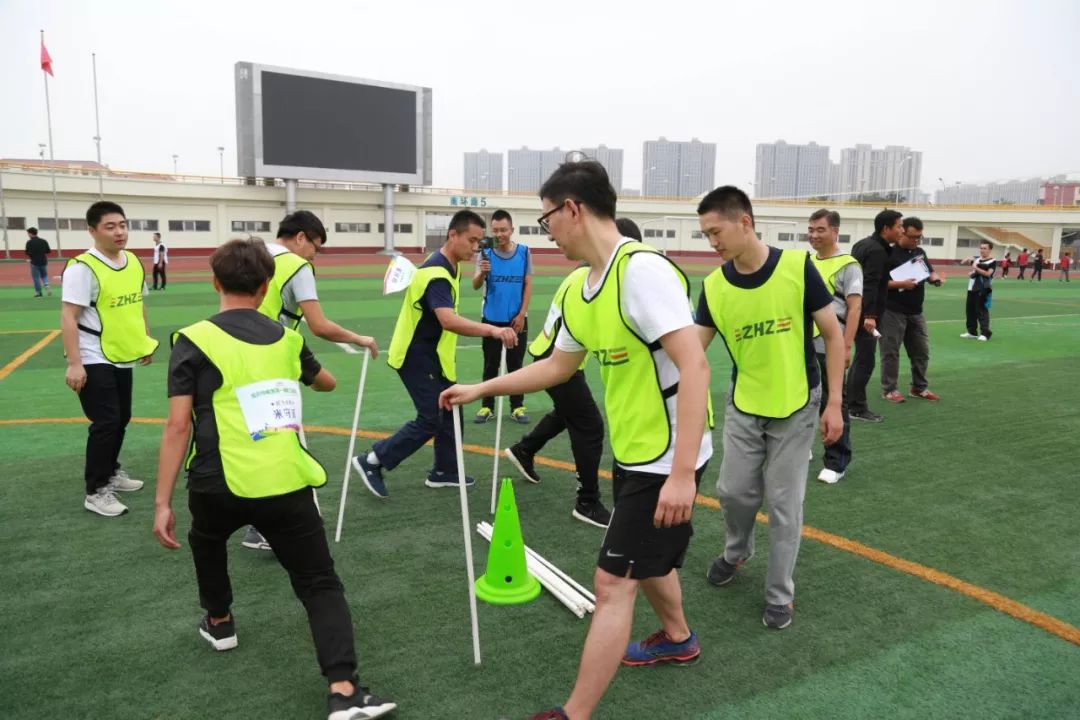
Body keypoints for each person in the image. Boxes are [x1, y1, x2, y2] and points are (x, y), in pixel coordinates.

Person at [441, 161, 712, 720]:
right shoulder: (577, 287)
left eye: (546, 220)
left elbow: (696, 366)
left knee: (612, 582)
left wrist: (683, 473)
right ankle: (678, 637)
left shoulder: (642, 271)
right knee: (647, 558)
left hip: (668, 456)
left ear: (573, 209)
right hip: (635, 447)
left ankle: (573, 714)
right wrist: (482, 388)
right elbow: (558, 367)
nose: (547, 234)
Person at [151, 238, 396, 720]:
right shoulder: (288, 340)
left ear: (215, 282)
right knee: (319, 582)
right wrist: (306, 375)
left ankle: (220, 620)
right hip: (284, 482)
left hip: (215, 481)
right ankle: (344, 689)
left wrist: (162, 503)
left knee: (207, 540)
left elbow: (177, 426)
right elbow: (325, 382)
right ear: (266, 288)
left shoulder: (192, 340)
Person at [696, 187, 843, 631]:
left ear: (744, 222)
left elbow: (833, 336)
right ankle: (737, 551)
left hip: (797, 404)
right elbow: (692, 351)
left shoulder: (797, 267)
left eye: (716, 232)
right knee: (732, 491)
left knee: (784, 502)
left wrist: (835, 404)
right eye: (705, 235)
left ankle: (780, 593)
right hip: (745, 403)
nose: (712, 242)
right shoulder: (714, 286)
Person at [350, 210, 516, 499]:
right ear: (452, 235)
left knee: (451, 407)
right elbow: (448, 320)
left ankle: (445, 471)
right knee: (431, 418)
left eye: (479, 241)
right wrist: (492, 330)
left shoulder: (451, 264)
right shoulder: (436, 274)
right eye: (471, 240)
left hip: (435, 355)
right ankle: (373, 461)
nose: (476, 247)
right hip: (415, 356)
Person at [242, 210, 378, 551]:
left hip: (234, 355)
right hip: (271, 357)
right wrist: (358, 338)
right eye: (315, 247)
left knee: (256, 440)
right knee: (278, 442)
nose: (315, 255)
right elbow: (318, 325)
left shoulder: (249, 255)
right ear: (300, 237)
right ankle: (266, 527)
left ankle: (258, 523)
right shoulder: (296, 265)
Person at [503, 219, 644, 529]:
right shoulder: (589, 277)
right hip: (556, 359)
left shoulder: (587, 273)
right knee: (589, 425)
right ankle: (587, 501)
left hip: (553, 355)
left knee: (568, 413)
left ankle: (524, 450)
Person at [61, 201, 159, 517]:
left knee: (122, 417)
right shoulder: (82, 268)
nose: (119, 232)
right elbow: (69, 316)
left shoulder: (133, 261)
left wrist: (145, 340)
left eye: (122, 225)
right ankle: (96, 491)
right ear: (92, 231)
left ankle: (111, 471)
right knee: (106, 422)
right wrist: (75, 363)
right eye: (110, 226)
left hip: (121, 353)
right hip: (92, 354)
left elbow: (138, 304)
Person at [806, 209, 862, 484]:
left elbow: (855, 308)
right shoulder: (806, 262)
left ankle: (836, 461)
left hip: (831, 345)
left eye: (820, 229)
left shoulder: (848, 265)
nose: (814, 235)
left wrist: (846, 346)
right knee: (802, 399)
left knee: (833, 400)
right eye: (811, 229)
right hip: (804, 343)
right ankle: (801, 445)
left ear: (835, 232)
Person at [473, 209, 533, 424]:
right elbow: (475, 284)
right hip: (491, 320)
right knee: (490, 364)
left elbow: (528, 284)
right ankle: (486, 407)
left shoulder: (524, 252)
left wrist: (522, 314)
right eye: (496, 230)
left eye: (503, 230)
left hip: (516, 320)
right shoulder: (485, 252)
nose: (499, 234)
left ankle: (517, 407)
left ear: (512, 230)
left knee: (515, 364)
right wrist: (482, 272)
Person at [880, 217, 945, 404]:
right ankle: (889, 389)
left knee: (921, 351)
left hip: (916, 311)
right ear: (902, 233)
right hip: (892, 311)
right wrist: (901, 284)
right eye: (912, 237)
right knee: (891, 352)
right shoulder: (888, 253)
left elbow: (929, 271)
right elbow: (879, 283)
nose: (916, 240)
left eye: (919, 237)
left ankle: (919, 387)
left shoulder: (919, 252)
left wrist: (935, 279)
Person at [846, 209, 903, 423]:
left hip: (854, 309)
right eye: (899, 226)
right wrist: (869, 315)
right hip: (864, 313)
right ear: (886, 229)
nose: (902, 230)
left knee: (861, 359)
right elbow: (869, 284)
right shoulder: (877, 251)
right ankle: (856, 408)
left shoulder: (863, 244)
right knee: (865, 360)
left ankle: (849, 402)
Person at [961, 240, 996, 341]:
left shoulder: (992, 261)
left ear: (990, 250)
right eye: (981, 248)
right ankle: (972, 332)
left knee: (981, 311)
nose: (982, 250)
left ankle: (985, 333)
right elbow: (965, 261)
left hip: (982, 289)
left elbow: (988, 274)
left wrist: (975, 268)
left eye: (985, 248)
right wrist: (969, 260)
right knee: (970, 311)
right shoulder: (977, 260)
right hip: (971, 288)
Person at [25, 227, 53, 297]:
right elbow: (48, 251)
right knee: (44, 275)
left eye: (28, 233)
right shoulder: (43, 241)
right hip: (43, 261)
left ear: (31, 233)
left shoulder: (29, 242)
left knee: (36, 278)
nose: (28, 235)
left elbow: (27, 252)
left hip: (34, 262)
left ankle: (38, 292)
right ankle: (47, 285)